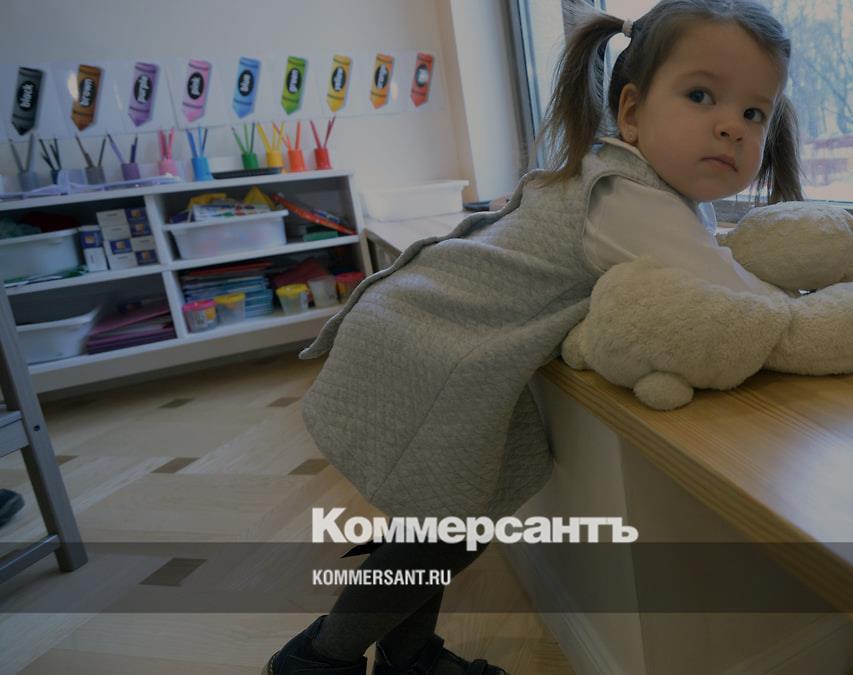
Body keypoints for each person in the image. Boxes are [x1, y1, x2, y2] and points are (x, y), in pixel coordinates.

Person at [264, 1, 800, 673]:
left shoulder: (626, 176)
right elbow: (736, 298)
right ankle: (318, 661)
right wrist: (823, 304)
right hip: (426, 349)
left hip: (419, 329)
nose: (732, 126)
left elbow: (702, 261)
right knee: (444, 533)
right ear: (632, 111)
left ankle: (408, 655)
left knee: (433, 518)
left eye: (755, 113)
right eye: (701, 96)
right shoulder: (628, 197)